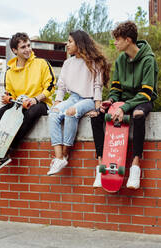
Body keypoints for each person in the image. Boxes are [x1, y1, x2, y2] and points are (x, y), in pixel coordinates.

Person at [90, 21, 158, 189]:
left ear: (128, 40)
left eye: (117, 39)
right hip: (122, 102)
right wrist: (111, 101)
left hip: (142, 101)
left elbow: (146, 92)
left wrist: (124, 108)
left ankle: (135, 167)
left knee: (138, 115)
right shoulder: (121, 59)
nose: (115, 42)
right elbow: (116, 89)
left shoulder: (148, 60)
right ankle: (101, 166)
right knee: (96, 115)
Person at [0, 32, 56, 174]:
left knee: (31, 112)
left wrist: (35, 99)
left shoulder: (41, 63)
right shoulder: (10, 72)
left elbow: (50, 86)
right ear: (15, 51)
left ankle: (8, 149)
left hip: (40, 103)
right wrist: (7, 97)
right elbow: (10, 92)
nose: (28, 49)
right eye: (23, 47)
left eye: (28, 45)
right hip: (19, 104)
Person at [47, 30, 110, 176]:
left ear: (79, 43)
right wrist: (56, 105)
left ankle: (64, 154)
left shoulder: (95, 62)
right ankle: (59, 158)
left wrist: (97, 107)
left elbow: (97, 87)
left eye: (70, 41)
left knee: (71, 112)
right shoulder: (67, 63)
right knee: (54, 113)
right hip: (73, 98)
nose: (66, 44)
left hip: (88, 99)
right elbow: (61, 88)